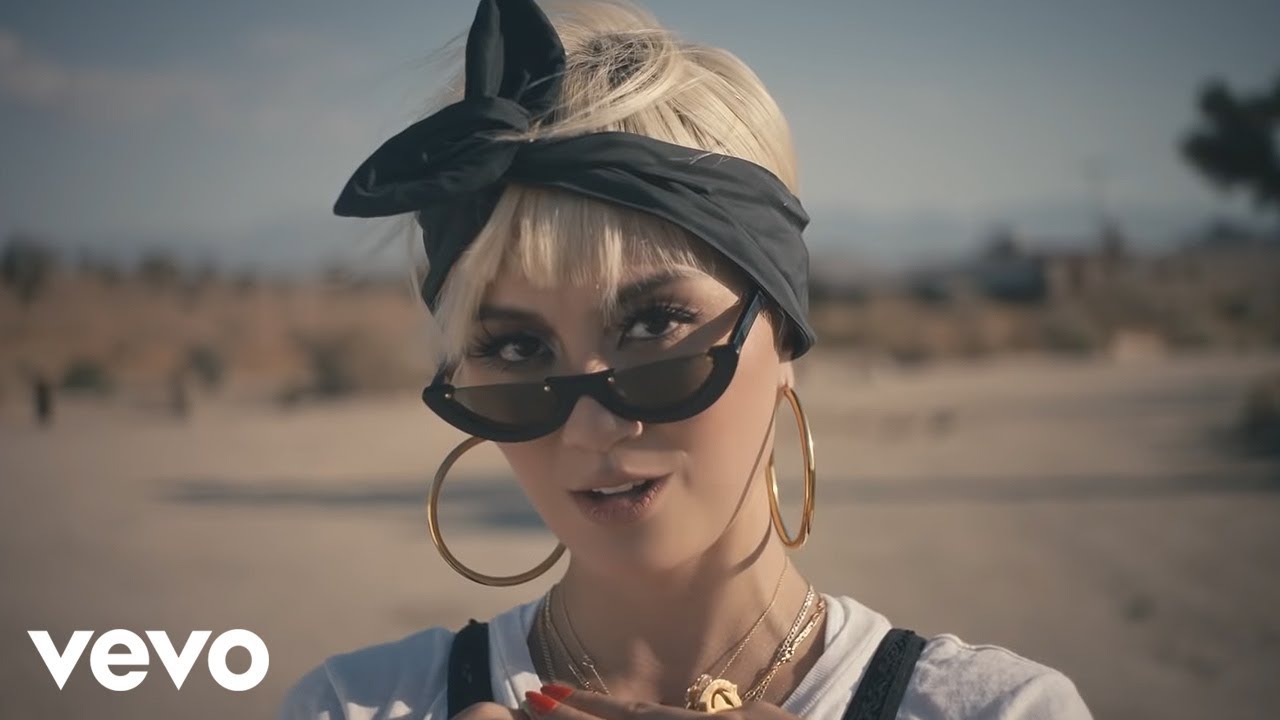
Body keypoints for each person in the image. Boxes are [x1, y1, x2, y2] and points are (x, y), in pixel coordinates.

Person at [279, 0, 1092, 718]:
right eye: (517, 349)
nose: (590, 426)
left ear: (784, 332)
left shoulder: (1004, 710)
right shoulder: (353, 705)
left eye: (653, 324)